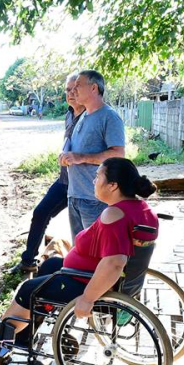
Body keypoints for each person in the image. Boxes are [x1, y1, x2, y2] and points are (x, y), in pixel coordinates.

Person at [0, 158, 158, 354]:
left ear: (113, 185)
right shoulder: (141, 209)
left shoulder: (115, 215)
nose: (94, 181)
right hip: (98, 275)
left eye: (98, 175)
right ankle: (22, 337)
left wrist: (88, 298)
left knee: (28, 289)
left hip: (92, 283)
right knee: (50, 265)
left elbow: (115, 263)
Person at [12, 74, 85, 274]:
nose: (71, 94)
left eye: (75, 89)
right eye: (67, 90)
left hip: (86, 185)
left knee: (83, 231)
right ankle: (28, 260)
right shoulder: (69, 114)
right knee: (40, 213)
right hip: (65, 181)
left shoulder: (91, 116)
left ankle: (83, 273)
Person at [59, 70, 126, 241]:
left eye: (78, 86)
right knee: (80, 252)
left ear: (94, 88)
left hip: (94, 199)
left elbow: (118, 155)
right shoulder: (82, 117)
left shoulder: (109, 117)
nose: (73, 91)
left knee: (96, 253)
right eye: (72, 87)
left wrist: (80, 157)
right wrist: (66, 156)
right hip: (74, 195)